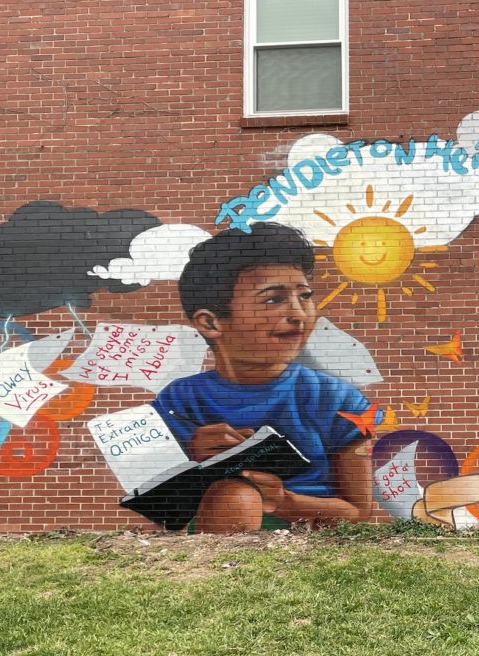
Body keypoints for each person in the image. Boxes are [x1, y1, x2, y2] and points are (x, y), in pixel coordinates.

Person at [152, 223, 377, 532]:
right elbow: (157, 505)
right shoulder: (179, 402)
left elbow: (358, 511)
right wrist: (189, 460)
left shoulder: (338, 400)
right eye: (274, 299)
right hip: (210, 543)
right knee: (234, 494)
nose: (298, 313)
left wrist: (283, 501)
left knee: (239, 495)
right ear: (211, 322)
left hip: (310, 544)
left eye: (305, 295)